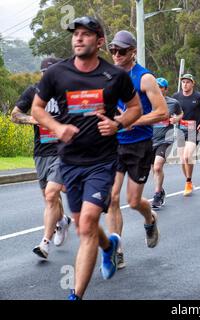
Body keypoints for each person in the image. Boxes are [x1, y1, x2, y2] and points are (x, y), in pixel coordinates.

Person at [31, 17, 142, 300]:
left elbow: (134, 108)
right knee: (84, 228)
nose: (78, 39)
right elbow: (37, 108)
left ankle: (75, 295)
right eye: (76, 35)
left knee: (90, 219)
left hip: (102, 162)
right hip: (69, 162)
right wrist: (56, 128)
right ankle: (108, 246)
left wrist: (117, 123)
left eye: (86, 35)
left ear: (100, 41)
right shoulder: (57, 73)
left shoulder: (114, 76)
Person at [105, 30, 168, 269]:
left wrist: (131, 121)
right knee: (111, 198)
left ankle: (150, 218)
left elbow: (162, 112)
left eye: (121, 51)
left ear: (133, 52)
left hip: (139, 145)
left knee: (132, 201)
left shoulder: (144, 78)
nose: (116, 55)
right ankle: (116, 250)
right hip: (113, 143)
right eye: (113, 50)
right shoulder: (108, 76)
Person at [11, 57, 71, 259]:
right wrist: (32, 119)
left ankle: (44, 243)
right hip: (41, 152)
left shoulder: (67, 93)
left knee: (52, 193)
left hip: (62, 149)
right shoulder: (33, 92)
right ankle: (62, 221)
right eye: (46, 74)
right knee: (49, 196)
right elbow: (15, 115)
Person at [172, 74, 200, 196]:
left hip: (193, 130)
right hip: (181, 129)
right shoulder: (176, 96)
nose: (185, 84)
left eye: (187, 82)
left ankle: (188, 181)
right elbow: (172, 110)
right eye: (183, 82)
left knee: (187, 156)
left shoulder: (199, 97)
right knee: (182, 160)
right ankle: (188, 180)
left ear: (192, 83)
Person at [151, 77, 183, 208]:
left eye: (160, 87)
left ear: (165, 89)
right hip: (150, 139)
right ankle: (161, 190)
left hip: (166, 139)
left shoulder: (173, 103)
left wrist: (177, 119)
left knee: (158, 166)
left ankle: (157, 194)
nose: (157, 89)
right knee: (154, 169)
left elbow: (181, 113)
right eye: (155, 87)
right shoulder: (148, 102)